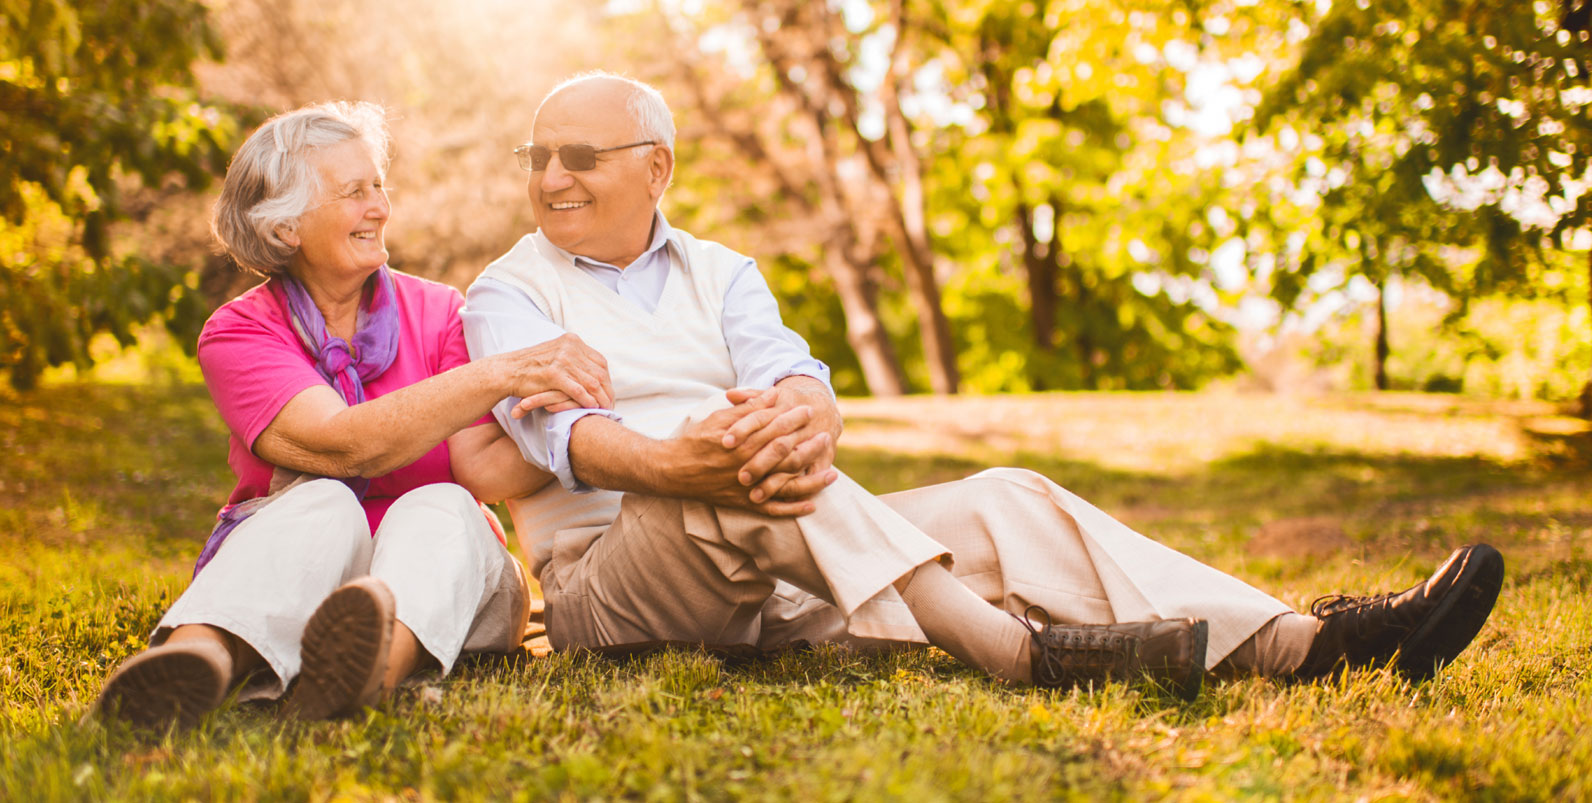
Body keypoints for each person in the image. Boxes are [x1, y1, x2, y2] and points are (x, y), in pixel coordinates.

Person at [461, 73, 1505, 698]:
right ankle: (1017, 653)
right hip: (612, 582)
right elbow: (563, 440)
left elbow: (793, 377)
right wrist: (674, 458)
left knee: (1008, 498)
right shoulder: (505, 291)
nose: (550, 176)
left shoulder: (723, 271)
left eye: (580, 154)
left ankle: (1309, 642)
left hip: (773, 558)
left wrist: (811, 413)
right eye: (538, 155)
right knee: (743, 464)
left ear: (656, 168)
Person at [92, 101, 612, 731]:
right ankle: (194, 662)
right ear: (286, 229)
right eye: (354, 192)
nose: (379, 207)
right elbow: (343, 447)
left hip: (442, 576)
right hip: (300, 574)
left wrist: (577, 420)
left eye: (378, 186)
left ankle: (369, 668)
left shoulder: (442, 311)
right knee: (320, 502)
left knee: (442, 505)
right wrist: (502, 373)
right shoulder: (240, 332)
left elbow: (485, 477)